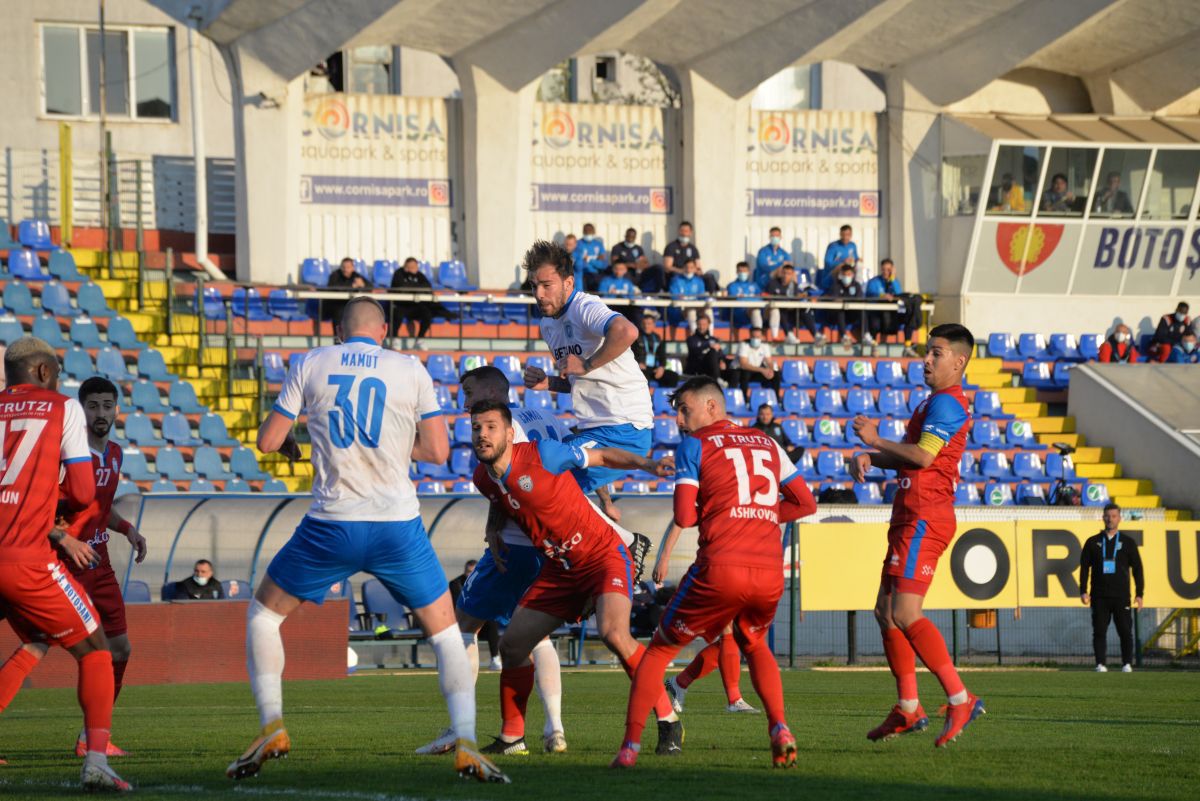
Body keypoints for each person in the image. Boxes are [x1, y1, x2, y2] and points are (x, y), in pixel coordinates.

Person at [230, 296, 507, 784]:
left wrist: (302, 437)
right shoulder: (410, 368)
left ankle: (272, 724)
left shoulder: (310, 361)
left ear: (340, 332)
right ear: (383, 331)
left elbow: (268, 441)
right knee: (446, 635)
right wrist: (394, 446)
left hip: (331, 523)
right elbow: (440, 452)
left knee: (263, 616)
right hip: (396, 524)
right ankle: (465, 741)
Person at [612, 376, 817, 769]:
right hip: (769, 568)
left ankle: (630, 747)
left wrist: (724, 515)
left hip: (722, 565)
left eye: (684, 410)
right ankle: (780, 728)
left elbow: (685, 516)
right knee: (754, 643)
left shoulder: (695, 445)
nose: (678, 419)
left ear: (711, 407)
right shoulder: (768, 442)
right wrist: (760, 517)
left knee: (658, 651)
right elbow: (804, 503)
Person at [467, 400, 683, 756]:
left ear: (509, 432)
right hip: (560, 568)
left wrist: (647, 463)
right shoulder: (481, 478)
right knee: (512, 646)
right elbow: (500, 500)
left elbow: (600, 458)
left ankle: (667, 718)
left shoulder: (542, 455)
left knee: (614, 634)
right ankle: (512, 738)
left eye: (491, 427)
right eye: (476, 428)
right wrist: (492, 531)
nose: (482, 435)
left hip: (602, 556)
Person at [415, 365, 581, 757]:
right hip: (550, 544)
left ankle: (460, 727)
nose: (466, 402)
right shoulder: (543, 416)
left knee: (463, 626)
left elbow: (511, 486)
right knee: (535, 635)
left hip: (516, 543)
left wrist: (493, 529)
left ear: (492, 389)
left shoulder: (506, 431)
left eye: (469, 392)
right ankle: (554, 729)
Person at [0, 337, 131, 791]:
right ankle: (94, 757)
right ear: (42, 374)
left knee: (36, 643)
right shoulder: (62, 409)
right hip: (27, 561)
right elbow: (79, 492)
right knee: (97, 649)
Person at [849, 323, 986, 747]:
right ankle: (908, 708)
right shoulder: (932, 402)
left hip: (926, 516)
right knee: (885, 611)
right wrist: (872, 455)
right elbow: (911, 460)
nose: (926, 359)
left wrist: (876, 439)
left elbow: (923, 458)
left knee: (906, 613)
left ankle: (960, 697)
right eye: (927, 352)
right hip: (909, 514)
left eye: (936, 353)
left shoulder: (947, 404)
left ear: (959, 362)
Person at [521, 239, 656, 508]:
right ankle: (609, 515)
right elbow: (577, 381)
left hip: (623, 429)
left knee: (542, 483)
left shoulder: (584, 307)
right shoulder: (548, 325)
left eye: (547, 285)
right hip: (597, 430)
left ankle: (611, 541)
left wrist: (585, 365)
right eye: (534, 286)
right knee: (549, 469)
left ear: (568, 283)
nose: (539, 293)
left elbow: (627, 331)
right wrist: (549, 382)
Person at [655, 523, 756, 716]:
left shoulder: (743, 502)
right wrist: (664, 558)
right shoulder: (707, 497)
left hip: (740, 569)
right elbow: (679, 520)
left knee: (736, 636)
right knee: (727, 631)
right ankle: (735, 700)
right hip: (715, 570)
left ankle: (679, 683)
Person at [1080, 503, 1144, 673]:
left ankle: (1127, 664)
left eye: (1114, 516)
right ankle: (1100, 664)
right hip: (1099, 596)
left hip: (1121, 596)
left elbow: (1137, 569)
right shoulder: (1093, 542)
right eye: (1107, 516)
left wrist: (1139, 594)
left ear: (1119, 518)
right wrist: (1083, 590)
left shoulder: (1128, 543)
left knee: (1125, 631)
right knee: (1099, 631)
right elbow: (1084, 567)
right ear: (1103, 517)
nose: (1110, 519)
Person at [448, 561, 501, 673]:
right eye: (468, 572)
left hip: (481, 625)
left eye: (473, 572)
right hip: (461, 622)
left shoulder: (485, 584)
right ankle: (453, 661)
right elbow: (454, 606)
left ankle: (495, 658)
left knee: (491, 621)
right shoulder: (455, 584)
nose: (470, 575)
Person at [390, 257, 455, 341]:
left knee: (427, 314)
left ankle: (420, 338)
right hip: (401, 305)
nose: (414, 269)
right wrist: (416, 289)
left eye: (415, 267)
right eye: (411, 267)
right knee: (397, 316)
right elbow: (402, 287)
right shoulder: (398, 273)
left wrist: (413, 288)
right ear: (406, 267)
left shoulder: (419, 275)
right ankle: (395, 338)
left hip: (415, 305)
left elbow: (427, 286)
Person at [865, 259, 922, 356]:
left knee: (909, 315)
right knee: (874, 319)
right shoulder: (874, 282)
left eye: (889, 270)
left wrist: (892, 279)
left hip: (893, 315)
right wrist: (882, 295)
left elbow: (898, 294)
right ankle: (874, 346)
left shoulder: (894, 281)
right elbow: (870, 293)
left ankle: (907, 346)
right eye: (884, 269)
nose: (886, 272)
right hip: (879, 314)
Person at [766, 264, 821, 345]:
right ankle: (789, 335)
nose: (785, 275)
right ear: (781, 273)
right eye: (784, 273)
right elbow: (767, 297)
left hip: (793, 314)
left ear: (792, 275)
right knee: (781, 309)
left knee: (805, 311)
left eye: (788, 274)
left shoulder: (794, 286)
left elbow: (797, 299)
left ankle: (816, 335)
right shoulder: (773, 283)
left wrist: (806, 297)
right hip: (777, 313)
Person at [664, 221, 718, 293]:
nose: (683, 233)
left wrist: (696, 271)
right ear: (678, 231)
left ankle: (713, 297)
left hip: (692, 273)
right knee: (675, 277)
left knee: (709, 277)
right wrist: (682, 271)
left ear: (690, 232)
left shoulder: (693, 248)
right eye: (681, 231)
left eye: (686, 231)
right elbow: (667, 267)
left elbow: (698, 266)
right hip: (678, 274)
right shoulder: (671, 246)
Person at [632, 311, 680, 388]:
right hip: (641, 369)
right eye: (644, 324)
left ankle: (666, 398)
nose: (646, 326)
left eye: (649, 324)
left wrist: (661, 367)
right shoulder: (636, 338)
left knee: (673, 376)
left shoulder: (657, 338)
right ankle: (646, 399)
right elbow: (630, 355)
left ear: (654, 325)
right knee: (643, 377)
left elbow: (662, 356)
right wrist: (638, 363)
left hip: (653, 369)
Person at [735, 326, 779, 403]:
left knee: (776, 375)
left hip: (757, 371)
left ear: (762, 337)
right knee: (745, 374)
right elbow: (744, 364)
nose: (755, 339)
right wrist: (762, 370)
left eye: (758, 337)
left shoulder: (764, 346)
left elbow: (769, 361)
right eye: (753, 336)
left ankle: (776, 399)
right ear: (750, 336)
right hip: (743, 371)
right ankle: (744, 400)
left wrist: (770, 370)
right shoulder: (744, 345)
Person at [325, 257, 373, 322]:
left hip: (352, 305)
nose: (345, 269)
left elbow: (370, 287)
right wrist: (352, 286)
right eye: (343, 267)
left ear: (353, 268)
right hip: (336, 305)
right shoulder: (335, 275)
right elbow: (334, 288)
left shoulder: (356, 275)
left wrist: (363, 285)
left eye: (348, 267)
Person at [598, 259, 642, 327]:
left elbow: (631, 297)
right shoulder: (605, 281)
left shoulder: (628, 282)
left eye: (621, 269)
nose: (618, 271)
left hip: (625, 308)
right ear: (613, 269)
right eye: (616, 269)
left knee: (636, 312)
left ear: (625, 270)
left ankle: (638, 334)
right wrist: (612, 295)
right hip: (611, 308)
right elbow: (602, 297)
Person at [831, 263, 865, 348]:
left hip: (852, 313)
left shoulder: (856, 285)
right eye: (844, 275)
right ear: (841, 275)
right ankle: (843, 336)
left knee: (863, 312)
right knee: (840, 311)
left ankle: (866, 335)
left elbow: (859, 300)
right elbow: (835, 299)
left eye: (849, 274)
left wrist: (845, 300)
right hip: (839, 316)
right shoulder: (836, 285)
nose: (847, 277)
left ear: (852, 275)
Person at [669, 258, 708, 331]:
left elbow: (702, 297)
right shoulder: (676, 280)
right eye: (687, 267)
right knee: (691, 311)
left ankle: (710, 337)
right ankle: (695, 336)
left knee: (708, 310)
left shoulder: (699, 281)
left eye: (691, 267)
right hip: (682, 309)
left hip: (697, 307)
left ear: (695, 269)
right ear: (683, 268)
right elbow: (674, 296)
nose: (689, 269)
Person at [685, 315, 724, 383]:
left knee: (733, 369)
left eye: (704, 324)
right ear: (697, 325)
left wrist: (722, 360)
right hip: (697, 366)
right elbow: (694, 351)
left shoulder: (713, 339)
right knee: (712, 352)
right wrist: (709, 345)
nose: (701, 327)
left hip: (711, 367)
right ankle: (717, 379)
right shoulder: (691, 339)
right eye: (699, 324)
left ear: (708, 325)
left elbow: (720, 353)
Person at [727, 262, 765, 330]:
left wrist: (744, 297)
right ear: (737, 272)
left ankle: (758, 336)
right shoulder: (732, 286)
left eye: (744, 271)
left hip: (754, 311)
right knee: (755, 311)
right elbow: (736, 300)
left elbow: (760, 298)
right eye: (740, 271)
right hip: (738, 312)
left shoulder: (754, 285)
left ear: (749, 272)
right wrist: (751, 297)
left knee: (756, 310)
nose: (742, 273)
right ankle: (758, 335)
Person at [820, 225, 858, 292]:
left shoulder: (852, 245)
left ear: (851, 235)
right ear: (840, 234)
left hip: (848, 274)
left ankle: (857, 290)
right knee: (841, 267)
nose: (845, 237)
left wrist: (856, 261)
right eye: (843, 235)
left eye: (848, 235)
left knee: (859, 267)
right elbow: (828, 263)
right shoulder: (833, 246)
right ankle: (836, 289)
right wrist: (843, 262)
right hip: (831, 275)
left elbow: (855, 259)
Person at [575, 223, 607, 291]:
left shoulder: (598, 244)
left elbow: (603, 264)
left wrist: (588, 259)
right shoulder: (578, 244)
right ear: (583, 232)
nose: (588, 233)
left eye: (590, 231)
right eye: (586, 231)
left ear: (594, 232)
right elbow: (577, 262)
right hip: (582, 274)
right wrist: (596, 258)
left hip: (596, 274)